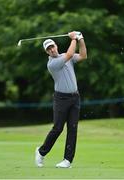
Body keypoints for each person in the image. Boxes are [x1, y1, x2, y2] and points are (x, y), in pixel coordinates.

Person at [35, 31, 87, 168]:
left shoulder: (64, 56)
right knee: (58, 128)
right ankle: (41, 152)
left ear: (56, 46)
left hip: (75, 98)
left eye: (52, 46)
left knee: (73, 129)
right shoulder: (52, 64)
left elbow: (83, 56)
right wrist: (74, 38)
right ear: (47, 52)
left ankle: (67, 160)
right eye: (48, 49)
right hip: (61, 99)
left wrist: (80, 39)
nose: (52, 49)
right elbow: (70, 54)